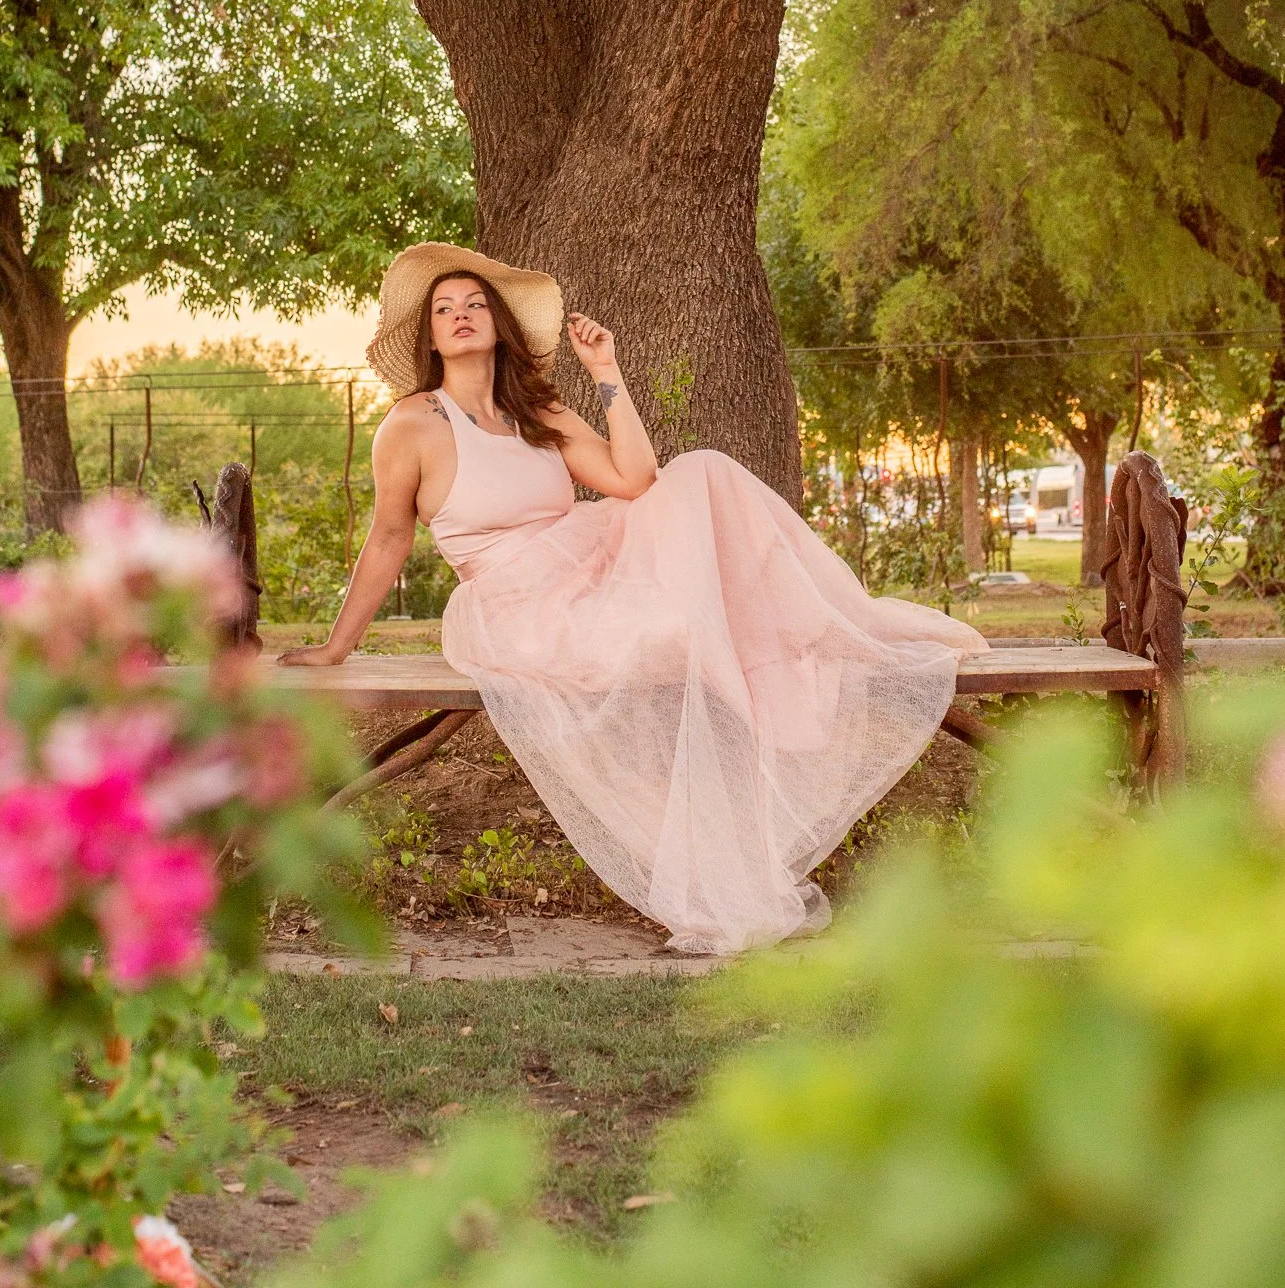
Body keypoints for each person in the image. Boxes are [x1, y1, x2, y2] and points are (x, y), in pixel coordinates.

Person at [279, 242, 987, 955]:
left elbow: (636, 480)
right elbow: (388, 538)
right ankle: (769, 726)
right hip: (515, 606)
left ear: (497, 326)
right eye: (443, 309)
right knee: (677, 634)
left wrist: (607, 374)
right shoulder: (410, 425)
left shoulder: (539, 413)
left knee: (704, 470)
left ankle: (821, 644)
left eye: (473, 305)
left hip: (590, 564)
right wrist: (338, 645)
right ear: (430, 335)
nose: (459, 316)